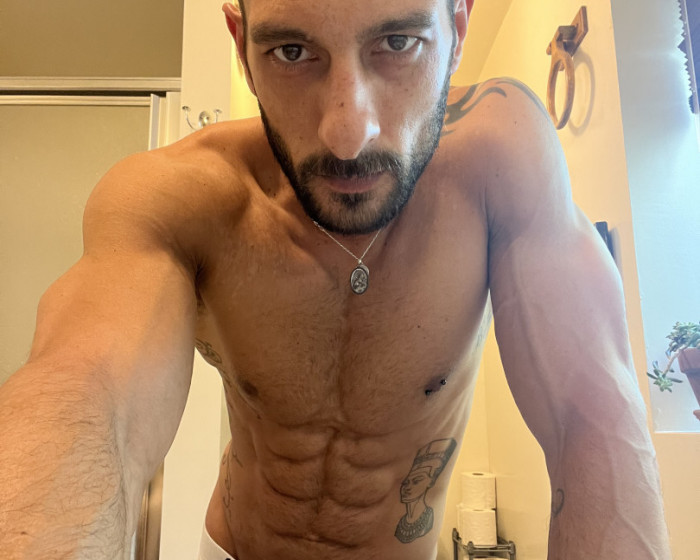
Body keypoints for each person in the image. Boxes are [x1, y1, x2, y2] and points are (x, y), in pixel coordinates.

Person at [0, 0, 672, 559]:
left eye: (398, 43)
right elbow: (84, 390)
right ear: (241, 47)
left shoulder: (500, 158)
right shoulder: (183, 197)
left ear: (458, 27)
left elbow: (595, 417)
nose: (349, 133)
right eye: (292, 52)